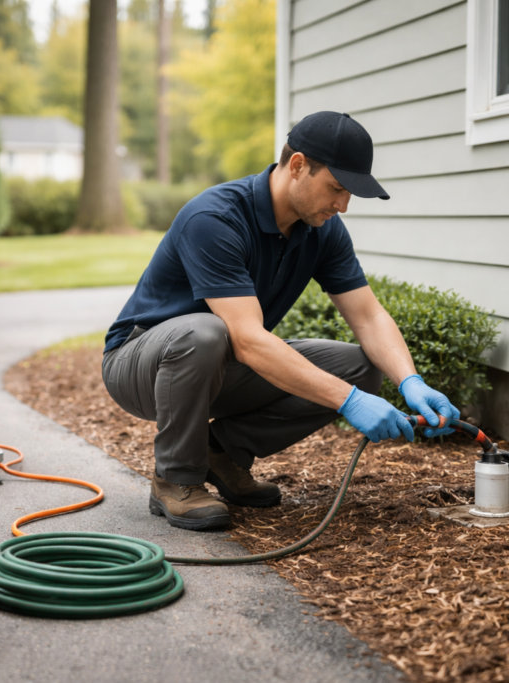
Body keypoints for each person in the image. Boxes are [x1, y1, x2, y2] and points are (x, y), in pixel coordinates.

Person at [101, 111, 460, 531]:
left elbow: (368, 316)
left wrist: (410, 381)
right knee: (206, 331)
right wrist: (347, 401)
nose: (343, 206)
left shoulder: (322, 229)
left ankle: (224, 453)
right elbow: (249, 340)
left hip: (221, 364)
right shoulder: (215, 218)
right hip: (141, 363)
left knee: (360, 367)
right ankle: (176, 479)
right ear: (297, 166)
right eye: (337, 189)